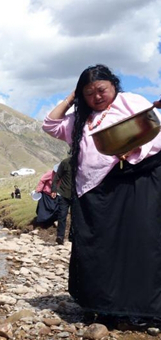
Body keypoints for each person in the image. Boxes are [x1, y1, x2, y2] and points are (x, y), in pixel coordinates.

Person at [42, 64, 161, 320]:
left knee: (138, 242)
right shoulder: (79, 119)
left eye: (101, 90)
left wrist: (133, 150)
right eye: (88, 93)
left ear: (114, 85)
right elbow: (50, 125)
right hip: (94, 192)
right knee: (98, 248)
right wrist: (71, 98)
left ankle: (141, 308)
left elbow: (154, 131)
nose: (96, 96)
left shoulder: (131, 102)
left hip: (134, 183)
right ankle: (101, 305)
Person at [51, 157, 72, 245]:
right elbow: (57, 177)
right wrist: (53, 190)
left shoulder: (82, 163)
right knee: (62, 215)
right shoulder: (65, 163)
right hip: (64, 193)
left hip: (77, 195)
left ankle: (72, 237)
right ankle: (60, 236)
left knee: (76, 217)